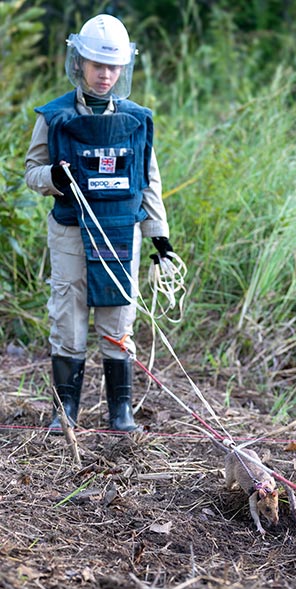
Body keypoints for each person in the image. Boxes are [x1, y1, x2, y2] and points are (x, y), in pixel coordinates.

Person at [24, 14, 174, 433]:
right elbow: (32, 170)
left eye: (113, 67)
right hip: (71, 230)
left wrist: (159, 237)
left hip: (121, 231)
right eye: (98, 65)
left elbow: (149, 180)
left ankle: (120, 412)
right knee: (67, 315)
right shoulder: (54, 117)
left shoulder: (136, 120)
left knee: (118, 317)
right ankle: (65, 410)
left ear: (123, 68)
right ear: (80, 63)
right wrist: (52, 178)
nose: (105, 74)